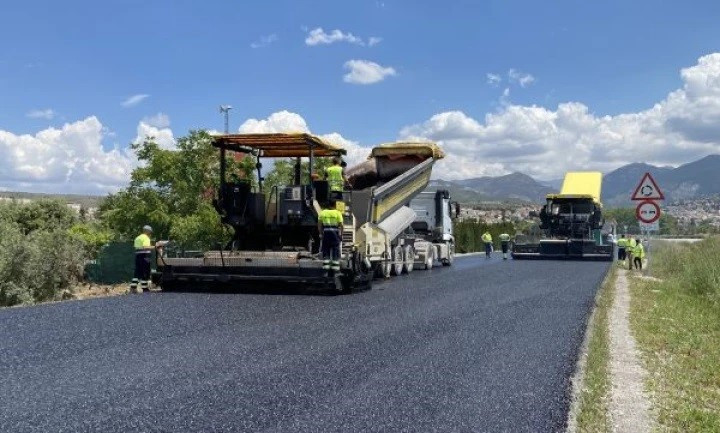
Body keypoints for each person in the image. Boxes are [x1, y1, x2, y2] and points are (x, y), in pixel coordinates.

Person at [318, 199, 344, 271]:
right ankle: (335, 271)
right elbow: (341, 225)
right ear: (335, 205)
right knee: (335, 252)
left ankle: (326, 272)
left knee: (326, 252)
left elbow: (319, 225)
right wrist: (341, 235)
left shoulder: (323, 213)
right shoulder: (338, 213)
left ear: (328, 205)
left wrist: (320, 234)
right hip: (335, 235)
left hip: (326, 234)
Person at [131, 225, 154, 293]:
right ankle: (144, 288)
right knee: (145, 272)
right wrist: (155, 247)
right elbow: (145, 246)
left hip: (138, 256)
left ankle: (133, 287)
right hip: (145, 256)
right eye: (150, 232)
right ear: (147, 231)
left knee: (137, 272)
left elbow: (137, 247)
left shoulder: (137, 238)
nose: (150, 233)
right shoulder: (146, 238)